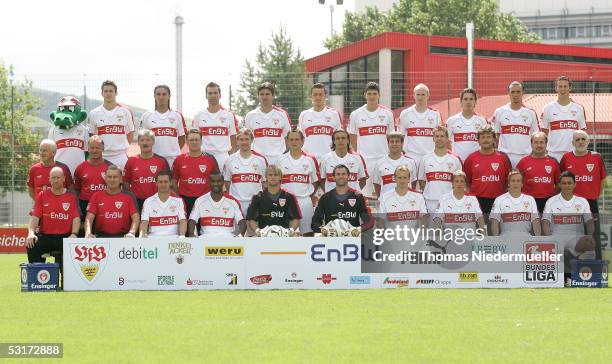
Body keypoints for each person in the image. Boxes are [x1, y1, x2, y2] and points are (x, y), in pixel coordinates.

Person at [560, 130, 607, 259]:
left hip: (590, 202)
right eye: (577, 140)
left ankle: (597, 268)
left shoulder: (596, 157)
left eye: (583, 139)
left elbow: (603, 179)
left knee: (593, 235)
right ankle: (570, 270)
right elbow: (561, 179)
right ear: (573, 143)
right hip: (570, 203)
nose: (580, 142)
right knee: (571, 235)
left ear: (588, 141)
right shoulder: (566, 157)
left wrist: (596, 194)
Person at [26, 167, 80, 270]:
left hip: (65, 237)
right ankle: (39, 276)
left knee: (73, 249)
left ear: (64, 178)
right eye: (53, 177)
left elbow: (76, 218)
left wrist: (74, 234)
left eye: (58, 177)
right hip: (46, 237)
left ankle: (66, 279)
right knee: (31, 244)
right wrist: (31, 233)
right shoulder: (42, 195)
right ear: (49, 179)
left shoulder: (71, 197)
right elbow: (35, 217)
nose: (56, 180)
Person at [348, 82, 395, 197]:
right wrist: (357, 156)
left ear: (379, 95)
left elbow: (392, 137)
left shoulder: (387, 114)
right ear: (365, 95)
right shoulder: (356, 114)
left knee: (385, 194)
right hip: (364, 160)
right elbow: (352, 137)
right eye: (369, 93)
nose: (372, 96)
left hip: (383, 158)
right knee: (363, 195)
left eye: (374, 93)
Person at [276, 129, 321, 236]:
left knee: (308, 233)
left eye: (296, 139)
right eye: (291, 139)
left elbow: (316, 181)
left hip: (304, 200)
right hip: (284, 201)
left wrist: (309, 194)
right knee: (283, 232)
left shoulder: (310, 159)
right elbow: (275, 181)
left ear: (302, 141)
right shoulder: (280, 159)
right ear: (286, 141)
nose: (294, 142)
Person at [542, 171, 595, 258]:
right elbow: (545, 222)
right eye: (564, 183)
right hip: (556, 237)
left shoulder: (582, 201)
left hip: (576, 238)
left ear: (575, 184)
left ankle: (584, 269)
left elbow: (589, 221)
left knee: (590, 244)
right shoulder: (551, 201)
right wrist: (548, 238)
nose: (567, 185)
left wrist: (590, 236)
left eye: (569, 183)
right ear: (559, 185)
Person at [312, 165, 374, 235]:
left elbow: (369, 221)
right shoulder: (325, 198)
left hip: (352, 239)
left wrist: (358, 229)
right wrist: (324, 230)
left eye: (343, 174)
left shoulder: (358, 196)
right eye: (338, 174)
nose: (341, 176)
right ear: (334, 178)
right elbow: (315, 222)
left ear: (348, 176)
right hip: (332, 239)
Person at [463, 125, 511, 214]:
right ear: (478, 140)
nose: (486, 140)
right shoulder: (471, 158)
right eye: (483, 137)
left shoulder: (503, 158)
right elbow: (466, 181)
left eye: (489, 137)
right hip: (477, 201)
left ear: (494, 139)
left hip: (498, 200)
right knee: (481, 227)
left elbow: (508, 181)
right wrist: (472, 196)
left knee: (495, 227)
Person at [171, 128, 219, 217]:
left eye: (197, 139)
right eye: (191, 140)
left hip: (206, 200)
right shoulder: (179, 159)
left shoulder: (210, 159)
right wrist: (179, 198)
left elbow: (217, 181)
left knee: (204, 229)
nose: (194, 142)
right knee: (187, 229)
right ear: (187, 142)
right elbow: (173, 181)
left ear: (201, 141)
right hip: (185, 200)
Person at [87, 80, 135, 170]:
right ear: (102, 93)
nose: (108, 93)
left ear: (116, 93)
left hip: (121, 157)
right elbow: (92, 136)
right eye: (106, 91)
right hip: (102, 157)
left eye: (111, 91)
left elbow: (130, 135)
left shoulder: (125, 112)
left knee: (122, 183)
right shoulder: (94, 113)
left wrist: (119, 148)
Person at [192, 82, 239, 171]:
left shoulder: (228, 115)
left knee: (225, 184)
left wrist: (230, 156)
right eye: (210, 93)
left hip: (224, 157)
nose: (213, 95)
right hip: (204, 157)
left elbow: (234, 138)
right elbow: (194, 138)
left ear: (220, 95)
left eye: (215, 93)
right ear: (206, 96)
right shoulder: (199, 115)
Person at [492, 81, 539, 167]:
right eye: (513, 92)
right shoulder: (499, 112)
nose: (515, 94)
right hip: (505, 156)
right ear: (508, 93)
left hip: (526, 156)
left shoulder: (530, 113)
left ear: (522, 93)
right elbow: (495, 136)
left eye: (518, 92)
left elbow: (536, 136)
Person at [541, 76, 587, 162]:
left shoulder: (579, 108)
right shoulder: (548, 108)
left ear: (570, 88)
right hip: (553, 154)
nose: (563, 89)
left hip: (573, 152)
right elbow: (544, 132)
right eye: (560, 86)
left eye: (565, 86)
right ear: (556, 88)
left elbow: (583, 132)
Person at [84, 165, 139, 238]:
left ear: (121, 179)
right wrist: (88, 233)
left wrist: (132, 232)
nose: (112, 180)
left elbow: (136, 218)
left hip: (124, 237)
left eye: (115, 177)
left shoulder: (129, 196)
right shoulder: (96, 196)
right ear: (105, 179)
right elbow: (89, 218)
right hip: (101, 236)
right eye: (109, 177)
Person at [244, 82, 292, 165]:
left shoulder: (282, 114)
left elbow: (288, 138)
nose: (264, 97)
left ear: (273, 96)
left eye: (267, 94)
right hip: (256, 160)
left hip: (278, 159)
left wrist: (283, 156)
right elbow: (246, 139)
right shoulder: (250, 115)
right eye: (262, 94)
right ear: (258, 96)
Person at [223, 128, 268, 216]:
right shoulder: (230, 160)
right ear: (237, 141)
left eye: (247, 139)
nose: (244, 142)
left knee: (254, 229)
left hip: (255, 202)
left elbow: (264, 183)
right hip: (236, 203)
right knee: (237, 230)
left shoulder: (260, 160)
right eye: (241, 139)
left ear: (252, 140)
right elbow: (227, 182)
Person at [140, 85, 186, 168]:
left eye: (164, 94)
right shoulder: (146, 116)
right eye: (158, 94)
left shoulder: (177, 116)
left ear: (169, 96)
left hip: (173, 160)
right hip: (153, 160)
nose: (161, 97)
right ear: (154, 96)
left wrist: (172, 151)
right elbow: (142, 139)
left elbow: (182, 138)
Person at [417, 126, 462, 213]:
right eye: (437, 136)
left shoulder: (455, 159)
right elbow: (422, 181)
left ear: (447, 138)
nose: (439, 138)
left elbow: (460, 181)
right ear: (433, 139)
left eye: (442, 136)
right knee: (431, 226)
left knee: (449, 227)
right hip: (430, 201)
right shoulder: (425, 159)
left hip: (450, 201)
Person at [123, 129, 171, 211]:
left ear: (153, 142)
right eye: (142, 140)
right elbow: (126, 184)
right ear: (138, 142)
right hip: (137, 202)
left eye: (148, 140)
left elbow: (168, 184)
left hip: (157, 201)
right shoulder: (131, 161)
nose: (145, 143)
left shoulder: (161, 161)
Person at [247, 165, 301, 235]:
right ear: (266, 177)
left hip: (284, 236)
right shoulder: (258, 197)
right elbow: (251, 219)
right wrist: (258, 231)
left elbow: (296, 218)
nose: (273, 177)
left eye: (276, 175)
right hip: (264, 236)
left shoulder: (289, 197)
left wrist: (290, 231)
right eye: (270, 175)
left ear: (280, 177)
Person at [398, 83, 443, 167]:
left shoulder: (435, 114)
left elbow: (441, 136)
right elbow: (401, 136)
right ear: (414, 96)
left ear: (428, 95)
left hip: (430, 156)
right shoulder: (405, 114)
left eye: (423, 94)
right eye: (418, 94)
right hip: (411, 156)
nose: (420, 97)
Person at [188, 173, 244, 237]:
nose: (216, 184)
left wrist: (240, 236)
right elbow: (192, 220)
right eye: (213, 181)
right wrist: (191, 234)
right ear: (209, 183)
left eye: (218, 181)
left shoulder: (233, 201)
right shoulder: (200, 201)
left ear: (223, 182)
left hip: (228, 238)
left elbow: (242, 222)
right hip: (206, 237)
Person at [516, 132, 560, 213]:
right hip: (528, 201)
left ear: (546, 144)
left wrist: (553, 197)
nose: (539, 145)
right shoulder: (523, 162)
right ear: (531, 144)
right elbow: (516, 182)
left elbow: (559, 183)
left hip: (549, 201)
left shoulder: (553, 162)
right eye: (536, 142)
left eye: (541, 142)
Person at [297, 83, 342, 161]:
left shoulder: (334, 114)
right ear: (311, 96)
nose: (318, 97)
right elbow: (299, 139)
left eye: (321, 94)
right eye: (315, 94)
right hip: (308, 159)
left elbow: (340, 138)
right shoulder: (304, 115)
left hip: (330, 159)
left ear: (325, 96)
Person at [490, 170, 541, 236]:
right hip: (505, 238)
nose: (515, 183)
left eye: (518, 181)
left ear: (522, 184)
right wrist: (496, 240)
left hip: (526, 238)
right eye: (513, 181)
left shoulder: (530, 199)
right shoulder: (499, 199)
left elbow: (535, 221)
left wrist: (538, 239)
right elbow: (494, 222)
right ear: (508, 183)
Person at [48, 96, 89, 177]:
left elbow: (87, 153)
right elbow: (49, 153)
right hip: (59, 175)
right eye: (62, 108)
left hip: (79, 174)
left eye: (71, 108)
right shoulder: (53, 130)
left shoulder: (84, 130)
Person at [73, 136, 114, 216]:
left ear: (103, 149)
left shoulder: (110, 167)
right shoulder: (80, 167)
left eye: (97, 148)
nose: (94, 151)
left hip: (105, 202)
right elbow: (76, 189)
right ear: (88, 149)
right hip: (85, 203)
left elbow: (116, 188)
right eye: (92, 148)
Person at [378, 166, 428, 230]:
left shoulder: (418, 197)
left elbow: (424, 218)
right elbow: (380, 220)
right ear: (394, 178)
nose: (402, 181)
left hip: (414, 237)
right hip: (391, 238)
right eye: (399, 178)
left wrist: (423, 233)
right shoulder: (385, 197)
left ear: (409, 179)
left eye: (405, 177)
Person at [139, 170, 187, 238]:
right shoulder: (148, 201)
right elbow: (144, 222)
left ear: (170, 183)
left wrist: (182, 235)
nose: (163, 184)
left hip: (174, 238)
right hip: (153, 238)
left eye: (166, 182)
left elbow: (182, 221)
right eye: (160, 182)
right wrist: (143, 234)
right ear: (156, 183)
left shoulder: (178, 201)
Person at [446, 88, 488, 162]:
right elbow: (446, 141)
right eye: (465, 99)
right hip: (458, 162)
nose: (468, 102)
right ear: (461, 102)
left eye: (471, 99)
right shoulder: (451, 121)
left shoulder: (482, 121)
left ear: (475, 102)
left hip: (477, 162)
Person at [373, 131, 418, 197]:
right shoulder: (379, 163)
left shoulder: (410, 162)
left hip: (406, 202)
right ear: (388, 143)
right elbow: (377, 184)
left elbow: (413, 183)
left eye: (397, 141)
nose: (394, 144)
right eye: (392, 141)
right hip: (386, 202)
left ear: (402, 143)